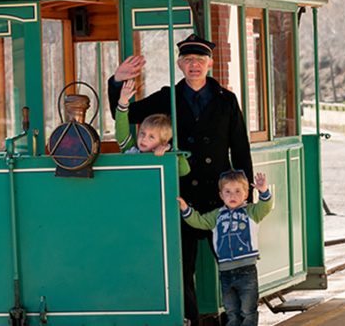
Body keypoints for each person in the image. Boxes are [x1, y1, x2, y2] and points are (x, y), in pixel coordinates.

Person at [107, 34, 253, 324]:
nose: (194, 66)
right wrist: (116, 81)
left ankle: (237, 320)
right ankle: (192, 321)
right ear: (179, 64)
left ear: (210, 64)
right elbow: (124, 111)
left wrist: (245, 192)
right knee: (182, 269)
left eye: (199, 60)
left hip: (220, 198)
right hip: (180, 196)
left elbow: (240, 147)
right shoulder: (167, 97)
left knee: (232, 265)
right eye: (188, 61)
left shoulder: (227, 100)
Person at [176, 170, 272, 326]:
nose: (232, 196)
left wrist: (263, 191)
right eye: (227, 192)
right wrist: (185, 209)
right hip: (225, 272)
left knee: (248, 311)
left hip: (247, 271)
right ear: (221, 195)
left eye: (237, 191)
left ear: (246, 194)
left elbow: (265, 207)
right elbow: (199, 221)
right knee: (232, 312)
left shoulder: (252, 212)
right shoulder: (216, 216)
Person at [115, 80, 190, 176]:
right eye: (142, 133)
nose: (144, 139)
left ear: (163, 142)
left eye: (151, 137)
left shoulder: (165, 156)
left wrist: (171, 151)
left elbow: (184, 170)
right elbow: (121, 129)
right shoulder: (131, 149)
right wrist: (123, 102)